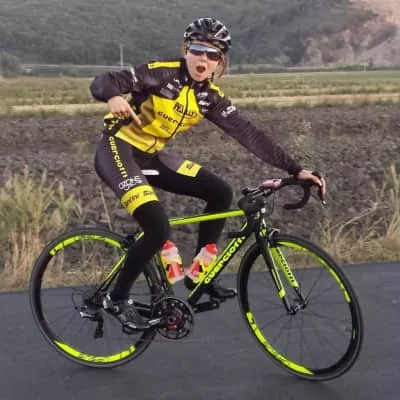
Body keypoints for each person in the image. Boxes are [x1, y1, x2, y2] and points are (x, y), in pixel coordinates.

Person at [90, 17, 326, 331]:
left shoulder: (209, 97)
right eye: (198, 50)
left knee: (220, 193)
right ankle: (116, 299)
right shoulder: (161, 73)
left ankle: (199, 276)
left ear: (220, 62)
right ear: (186, 50)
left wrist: (296, 169)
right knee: (157, 227)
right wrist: (113, 96)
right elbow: (104, 81)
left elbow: (249, 134)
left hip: (151, 156)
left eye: (213, 54)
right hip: (118, 150)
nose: (203, 59)